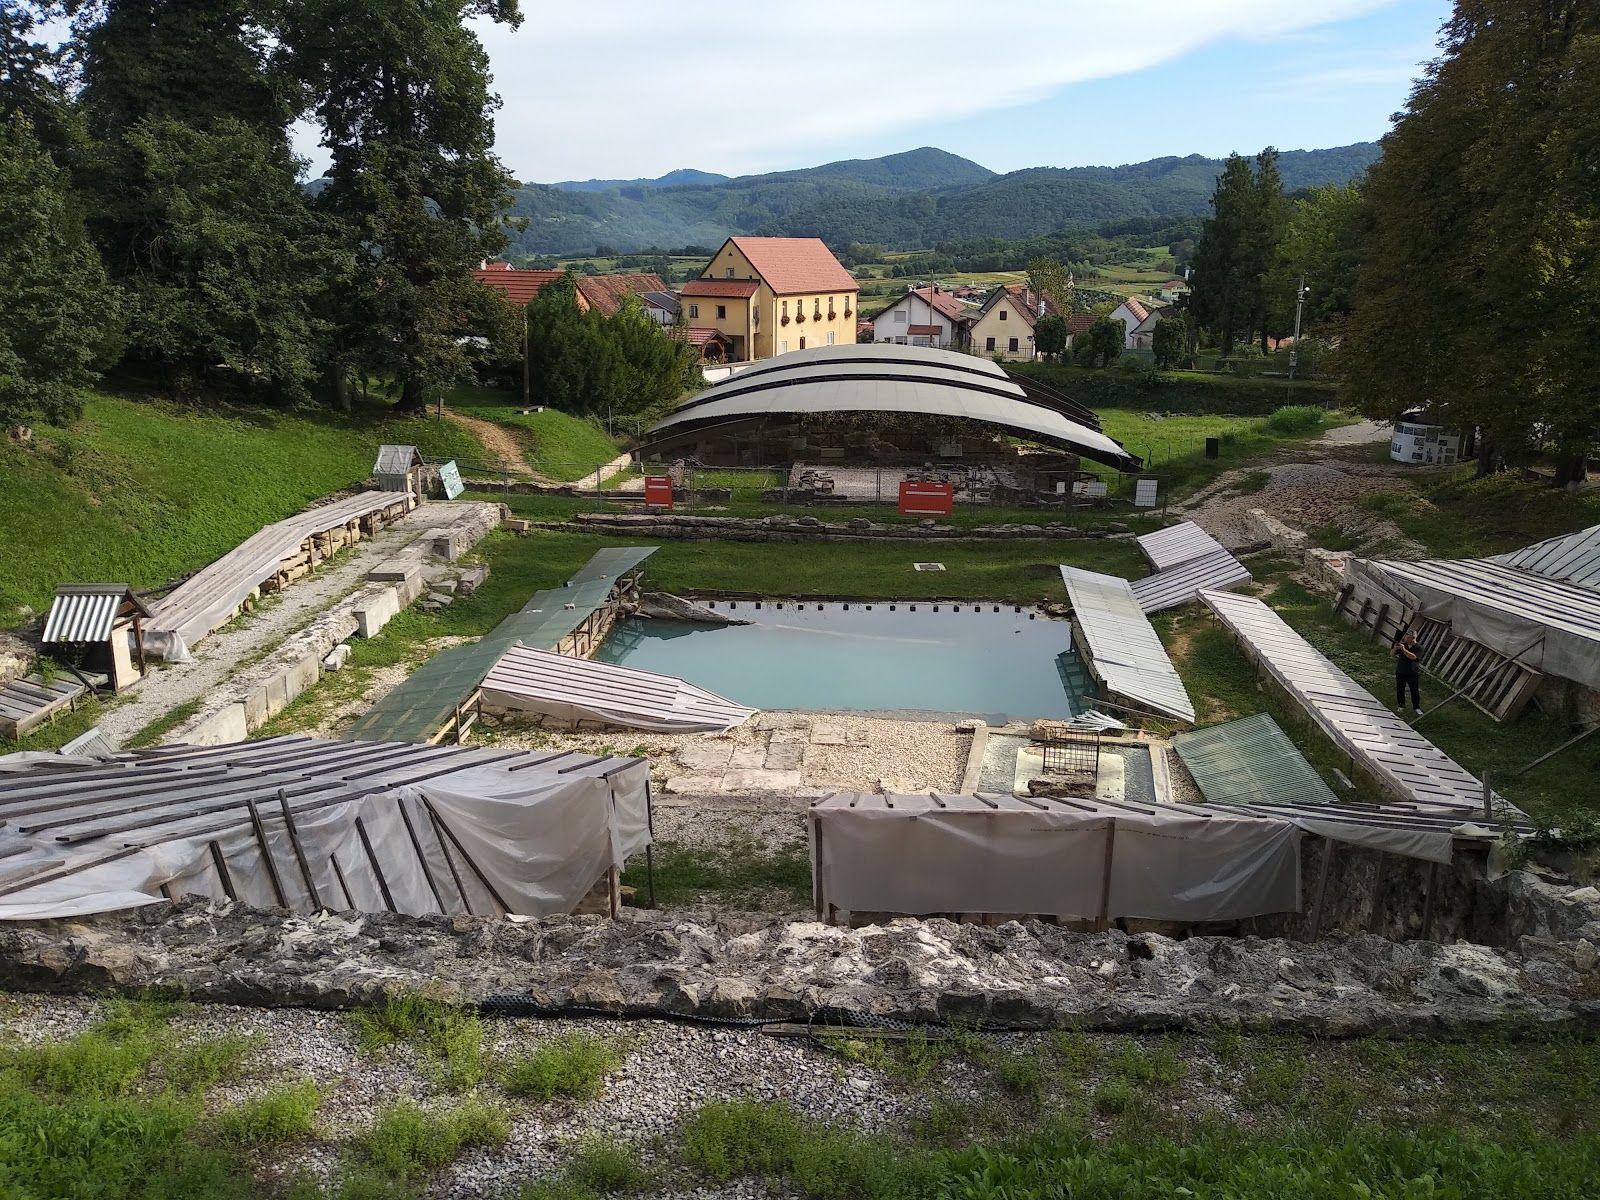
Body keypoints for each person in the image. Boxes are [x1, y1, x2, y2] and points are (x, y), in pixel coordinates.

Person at [1393, 629, 1422, 715]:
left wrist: (1404, 650)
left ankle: (1416, 707)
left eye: (1408, 637)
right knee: (1400, 688)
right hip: (1401, 670)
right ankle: (1401, 705)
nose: (1406, 638)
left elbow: (1414, 657)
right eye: (1406, 636)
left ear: (1413, 638)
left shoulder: (1418, 647)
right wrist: (1395, 648)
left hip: (1412, 672)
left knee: (1414, 690)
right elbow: (1391, 654)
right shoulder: (1403, 645)